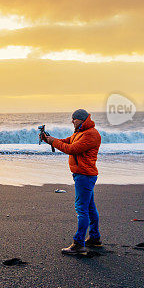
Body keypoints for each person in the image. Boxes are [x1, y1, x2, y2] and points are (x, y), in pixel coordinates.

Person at [41, 109, 102, 255]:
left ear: (81, 120)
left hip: (84, 176)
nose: (72, 121)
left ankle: (78, 244)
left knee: (81, 209)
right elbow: (66, 142)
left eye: (74, 119)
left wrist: (52, 141)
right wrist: (48, 139)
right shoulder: (80, 133)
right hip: (83, 175)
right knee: (90, 207)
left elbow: (72, 149)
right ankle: (94, 237)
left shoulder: (91, 134)